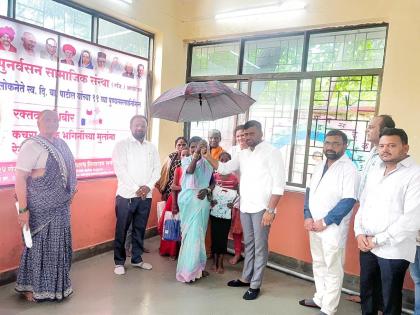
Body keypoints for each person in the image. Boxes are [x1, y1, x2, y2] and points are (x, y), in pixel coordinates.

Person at [204, 120, 286, 300]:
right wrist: (207, 155)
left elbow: (279, 186)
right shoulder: (242, 154)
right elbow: (224, 169)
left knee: (260, 246)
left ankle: (255, 284)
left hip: (263, 209)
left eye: (251, 134)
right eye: (246, 134)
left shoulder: (272, 153)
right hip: (246, 206)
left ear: (261, 133)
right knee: (249, 244)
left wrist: (270, 210)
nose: (248, 137)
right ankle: (245, 277)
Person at [354, 128, 420, 315]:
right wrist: (359, 233)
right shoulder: (376, 170)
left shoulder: (415, 174)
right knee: (367, 293)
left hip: (393, 248)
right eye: (382, 146)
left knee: (389, 298)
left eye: (392, 145)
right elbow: (363, 204)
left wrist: (377, 240)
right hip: (367, 243)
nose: (385, 150)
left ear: (405, 148)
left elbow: (412, 218)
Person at [14, 110, 77, 301]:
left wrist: (70, 190)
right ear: (38, 122)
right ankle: (30, 288)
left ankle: (55, 287)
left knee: (58, 248)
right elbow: (20, 178)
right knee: (37, 247)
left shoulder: (61, 144)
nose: (52, 123)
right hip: (39, 207)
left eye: (55, 119)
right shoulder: (31, 146)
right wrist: (23, 210)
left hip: (61, 206)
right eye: (47, 119)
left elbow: (69, 173)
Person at [299, 130, 358, 315]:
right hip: (314, 225)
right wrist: (307, 215)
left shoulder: (349, 169)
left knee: (333, 267)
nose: (330, 147)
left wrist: (325, 221)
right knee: (318, 263)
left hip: (332, 228)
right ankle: (320, 298)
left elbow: (349, 200)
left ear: (345, 146)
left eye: (336, 143)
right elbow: (309, 192)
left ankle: (329, 308)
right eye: (327, 143)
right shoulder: (319, 165)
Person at [112, 115, 160, 275]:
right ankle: (119, 262)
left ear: (147, 127)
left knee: (140, 229)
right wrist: (136, 188)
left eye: (143, 126)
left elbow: (156, 170)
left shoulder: (151, 147)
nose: (140, 128)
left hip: (145, 196)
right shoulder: (122, 145)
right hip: (126, 196)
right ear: (131, 127)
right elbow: (120, 170)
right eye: (137, 125)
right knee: (122, 229)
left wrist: (148, 187)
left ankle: (137, 259)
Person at [176, 138, 214, 283]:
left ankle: (198, 268)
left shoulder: (209, 161)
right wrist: (196, 155)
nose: (195, 149)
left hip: (202, 199)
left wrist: (207, 189)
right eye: (192, 147)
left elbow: (213, 181)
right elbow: (190, 171)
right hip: (188, 200)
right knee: (190, 234)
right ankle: (188, 271)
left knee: (199, 234)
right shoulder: (186, 159)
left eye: (200, 147)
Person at [156, 136, 188, 258]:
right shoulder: (171, 158)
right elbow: (163, 175)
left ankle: (180, 249)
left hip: (185, 197)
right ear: (175, 146)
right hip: (170, 195)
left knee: (181, 223)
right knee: (170, 222)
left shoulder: (190, 161)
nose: (181, 147)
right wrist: (164, 191)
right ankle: (169, 249)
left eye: (184, 144)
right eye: (179, 145)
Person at [210, 152, 239, 274]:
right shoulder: (215, 176)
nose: (224, 162)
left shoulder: (234, 178)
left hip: (227, 213)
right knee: (214, 236)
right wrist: (211, 201)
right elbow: (210, 191)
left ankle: (221, 262)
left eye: (227, 160)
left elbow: (238, 194)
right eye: (222, 160)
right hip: (215, 212)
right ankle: (215, 261)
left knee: (223, 237)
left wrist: (234, 204)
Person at [358, 114, 395, 197]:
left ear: (384, 130)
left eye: (371, 127)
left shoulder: (391, 155)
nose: (366, 130)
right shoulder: (374, 150)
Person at [228, 124, 247, 265]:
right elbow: (226, 169)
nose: (241, 138)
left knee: (245, 227)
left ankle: (249, 257)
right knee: (235, 227)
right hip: (231, 192)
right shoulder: (232, 151)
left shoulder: (253, 150)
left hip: (247, 193)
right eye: (238, 136)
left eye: (243, 135)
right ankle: (237, 253)